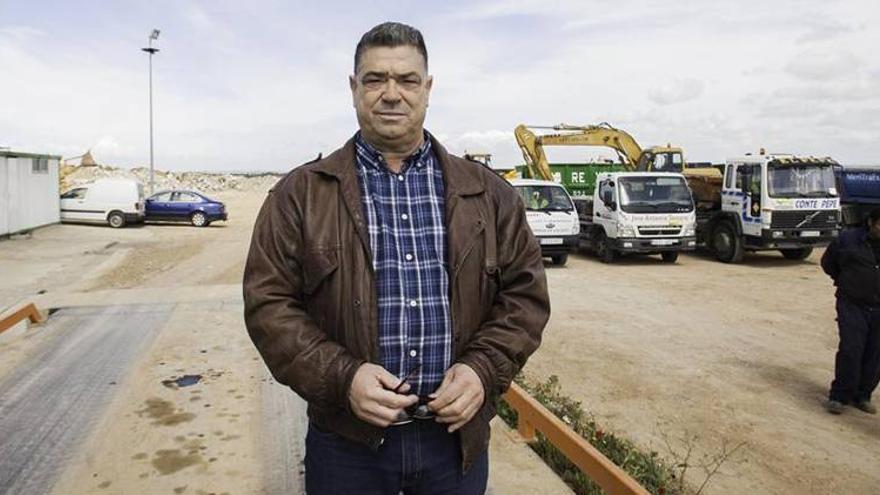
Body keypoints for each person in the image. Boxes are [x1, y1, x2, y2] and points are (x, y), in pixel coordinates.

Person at [243, 21, 550, 494]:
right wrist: (343, 378)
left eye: (407, 80)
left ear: (427, 89)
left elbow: (524, 297)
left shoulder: (488, 194)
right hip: (347, 447)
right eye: (374, 79)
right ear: (353, 89)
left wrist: (482, 369)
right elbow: (269, 304)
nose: (391, 93)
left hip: (454, 445)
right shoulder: (299, 195)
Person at [821, 207, 880, 415]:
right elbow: (828, 263)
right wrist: (845, 282)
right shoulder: (848, 240)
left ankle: (862, 395)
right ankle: (839, 395)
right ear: (871, 222)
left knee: (874, 354)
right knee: (851, 349)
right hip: (852, 304)